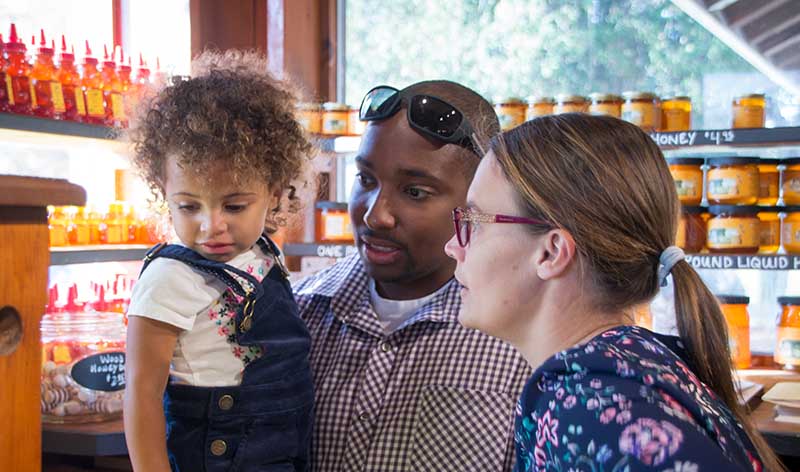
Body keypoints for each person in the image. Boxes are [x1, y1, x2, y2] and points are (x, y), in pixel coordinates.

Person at [444, 113, 785, 471]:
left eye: (473, 223)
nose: (453, 246)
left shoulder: (588, 407)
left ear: (551, 252)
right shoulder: (630, 367)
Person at [293, 81, 530, 471]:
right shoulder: (295, 316)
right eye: (366, 180)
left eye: (415, 192)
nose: (374, 216)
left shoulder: (520, 341)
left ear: (477, 203)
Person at [123, 50, 314, 472]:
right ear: (163, 189)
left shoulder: (263, 255)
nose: (212, 226)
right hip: (218, 454)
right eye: (189, 206)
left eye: (234, 206)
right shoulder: (170, 277)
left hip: (287, 443)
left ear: (274, 190)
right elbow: (141, 391)